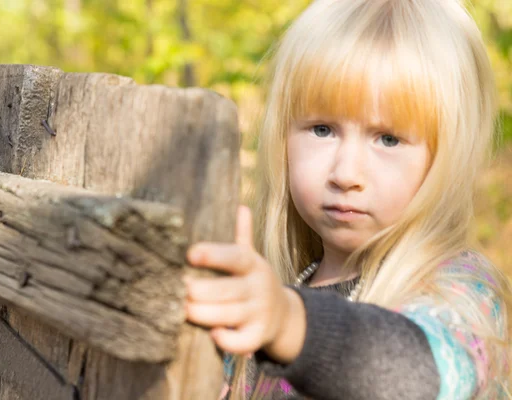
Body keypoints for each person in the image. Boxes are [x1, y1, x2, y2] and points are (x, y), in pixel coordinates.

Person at [182, 0, 512, 399]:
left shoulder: (463, 294)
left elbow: (418, 378)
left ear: (447, 156)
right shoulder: (274, 295)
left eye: (388, 139)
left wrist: (286, 322)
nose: (346, 174)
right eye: (322, 130)